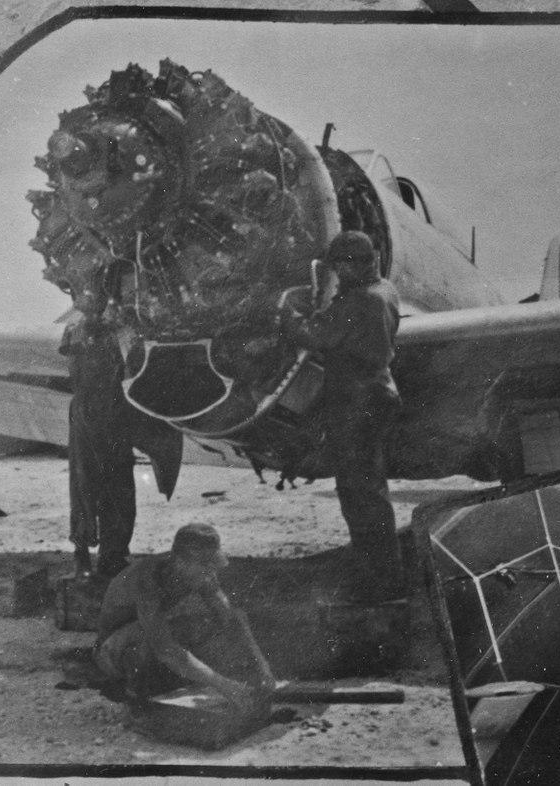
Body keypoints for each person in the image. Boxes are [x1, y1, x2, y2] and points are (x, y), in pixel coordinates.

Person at [279, 231, 406, 604]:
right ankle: (382, 575)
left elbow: (311, 333)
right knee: (369, 491)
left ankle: (379, 583)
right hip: (375, 395)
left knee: (359, 495)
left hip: (356, 403)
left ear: (354, 264)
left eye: (339, 266)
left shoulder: (361, 301)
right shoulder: (384, 290)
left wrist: (286, 311)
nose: (336, 273)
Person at [94, 523, 276, 709]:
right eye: (206, 566)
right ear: (181, 562)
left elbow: (230, 618)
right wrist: (224, 685)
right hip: (110, 652)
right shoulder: (146, 578)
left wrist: (262, 668)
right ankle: (136, 701)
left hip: (143, 638)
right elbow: (165, 648)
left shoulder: (193, 569)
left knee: (198, 624)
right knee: (149, 636)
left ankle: (168, 679)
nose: (211, 574)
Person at [61, 313, 183, 578]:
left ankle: (108, 556)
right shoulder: (84, 329)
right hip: (95, 411)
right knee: (89, 487)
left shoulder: (105, 329)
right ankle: (88, 555)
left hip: (109, 411)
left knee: (111, 488)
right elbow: (78, 371)